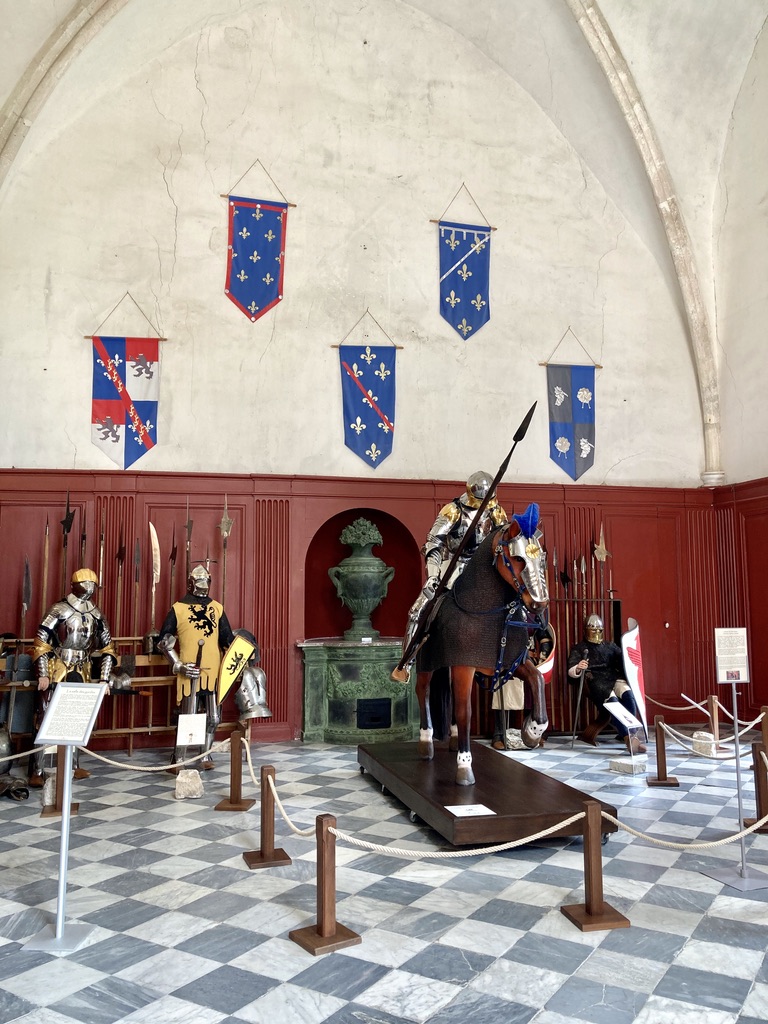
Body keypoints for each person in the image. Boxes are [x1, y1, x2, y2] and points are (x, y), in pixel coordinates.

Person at [392, 471, 508, 682]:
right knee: (419, 610)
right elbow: (433, 543)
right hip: (452, 566)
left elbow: (502, 544)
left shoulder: (496, 511)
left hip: (485, 569)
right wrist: (433, 575)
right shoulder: (453, 510)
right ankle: (405, 663)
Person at [30, 568, 116, 786]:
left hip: (84, 666)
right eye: (85, 583)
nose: (89, 587)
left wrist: (104, 678)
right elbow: (42, 641)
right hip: (57, 664)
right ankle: (38, 769)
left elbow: (108, 648)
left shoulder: (97, 613)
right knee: (46, 715)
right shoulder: (58, 609)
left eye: (92, 583)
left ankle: (73, 763)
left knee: (79, 715)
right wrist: (44, 673)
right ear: (74, 585)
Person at [158, 563, 234, 771]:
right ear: (191, 583)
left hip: (213, 670)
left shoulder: (216, 608)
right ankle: (178, 758)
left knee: (214, 717)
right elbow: (164, 642)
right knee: (188, 716)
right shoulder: (179, 608)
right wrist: (179, 666)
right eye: (198, 581)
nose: (202, 585)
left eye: (205, 581)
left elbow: (228, 639)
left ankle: (205, 755)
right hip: (189, 669)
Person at [568, 613, 646, 754]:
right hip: (595, 680)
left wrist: (628, 653)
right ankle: (628, 738)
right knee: (613, 703)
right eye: (593, 629)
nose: (596, 632)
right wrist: (579, 667)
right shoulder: (580, 648)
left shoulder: (610, 646)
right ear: (586, 630)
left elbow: (623, 661)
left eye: (599, 630)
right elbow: (571, 670)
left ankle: (632, 734)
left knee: (629, 696)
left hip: (614, 677)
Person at [492, 624, 553, 749]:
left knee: (533, 694)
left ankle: (531, 734)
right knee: (503, 692)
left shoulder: (532, 612)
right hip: (507, 659)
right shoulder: (506, 607)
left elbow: (543, 634)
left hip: (529, 659)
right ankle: (498, 734)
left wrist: (543, 653)